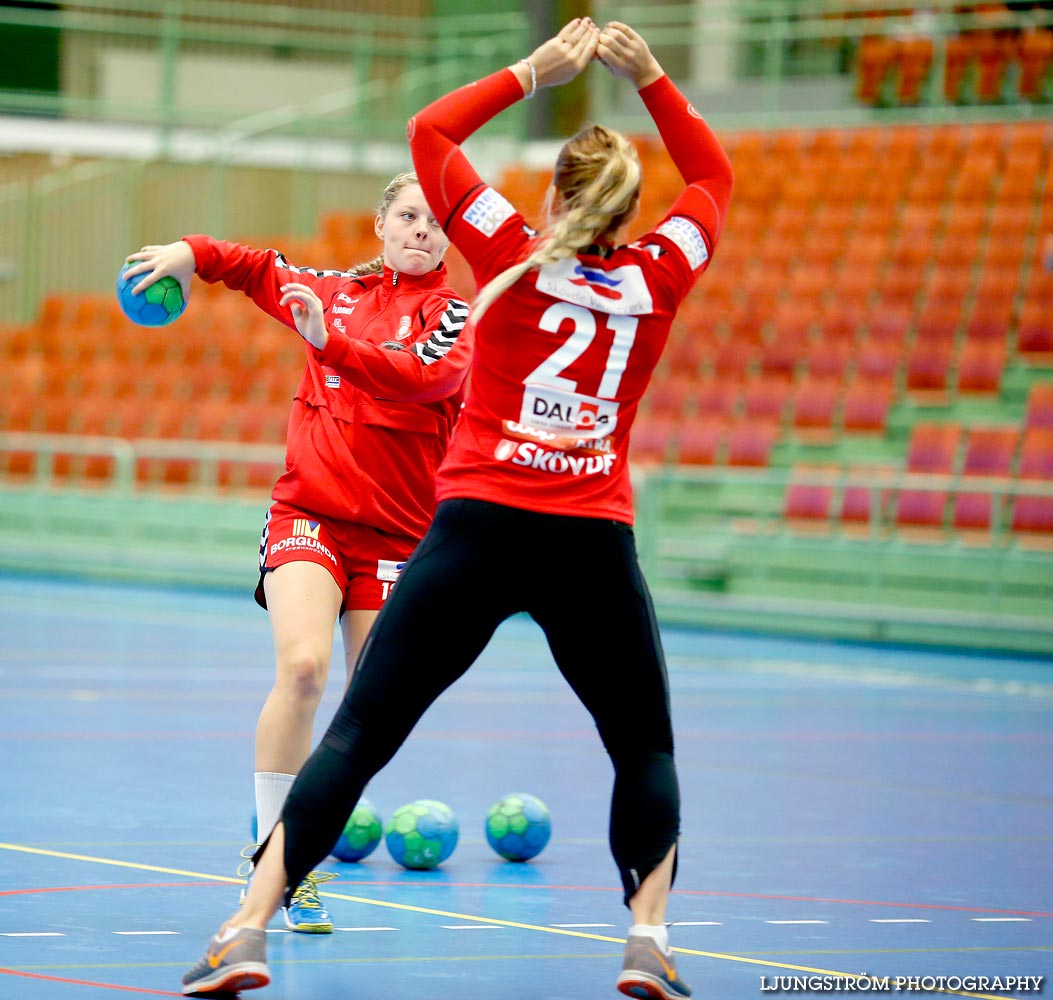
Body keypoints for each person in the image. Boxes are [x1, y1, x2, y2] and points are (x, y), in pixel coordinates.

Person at [180, 16, 732, 1000]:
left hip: (478, 525)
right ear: (631, 210)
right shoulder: (662, 273)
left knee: (355, 733)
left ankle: (248, 927)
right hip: (589, 535)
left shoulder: (511, 253)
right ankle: (647, 936)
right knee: (642, 745)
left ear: (556, 197)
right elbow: (715, 180)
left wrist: (535, 69)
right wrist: (652, 79)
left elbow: (430, 132)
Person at [122, 172, 472, 934]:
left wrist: (328, 344)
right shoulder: (333, 289)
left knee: (371, 709)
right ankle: (279, 860)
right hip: (308, 516)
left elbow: (419, 380)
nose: (421, 230)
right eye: (408, 215)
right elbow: (250, 266)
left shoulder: (454, 318)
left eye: (436, 221)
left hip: (396, 537)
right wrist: (187, 252)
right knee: (305, 668)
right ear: (381, 222)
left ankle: (302, 834)